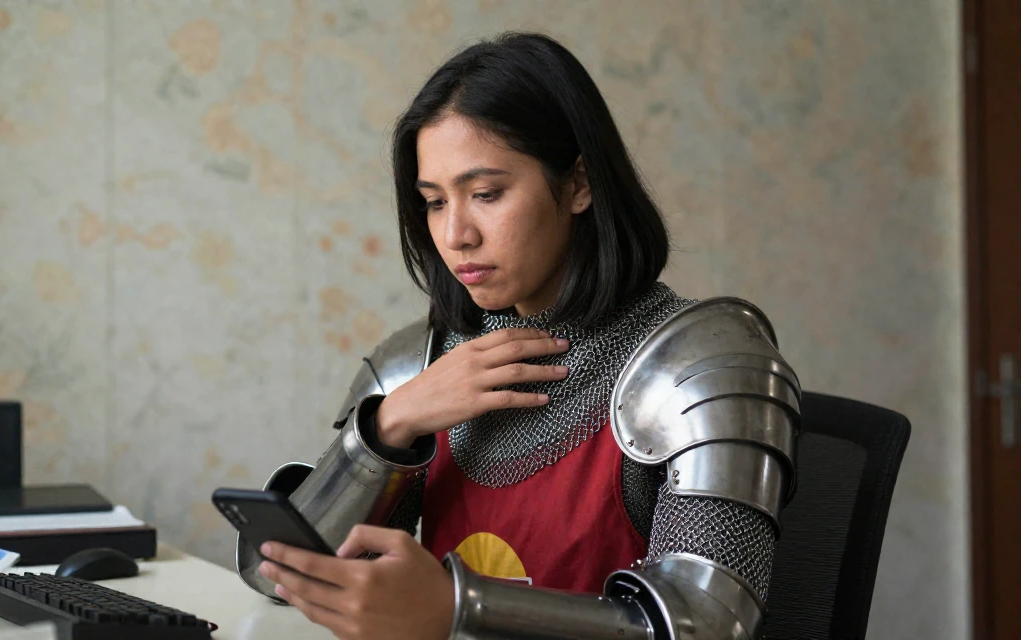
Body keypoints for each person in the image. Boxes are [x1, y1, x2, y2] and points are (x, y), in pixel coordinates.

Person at [235, 32, 799, 640]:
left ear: (578, 183)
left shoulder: (700, 365)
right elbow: (279, 578)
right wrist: (386, 427)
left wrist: (457, 611)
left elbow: (707, 627)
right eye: (433, 202)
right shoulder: (417, 363)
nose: (456, 235)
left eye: (485, 194)